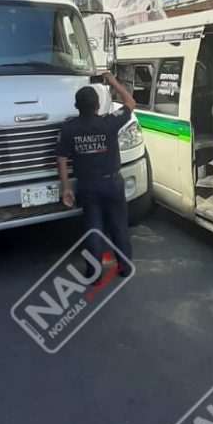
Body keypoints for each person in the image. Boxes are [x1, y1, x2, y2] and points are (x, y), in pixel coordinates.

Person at [56, 73, 138, 277]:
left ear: (76, 106)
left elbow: (61, 160)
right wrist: (113, 82)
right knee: (119, 227)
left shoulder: (68, 129)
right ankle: (125, 268)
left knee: (94, 230)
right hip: (112, 183)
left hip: (87, 186)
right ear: (98, 105)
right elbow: (130, 102)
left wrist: (66, 188)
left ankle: (94, 273)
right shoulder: (109, 122)